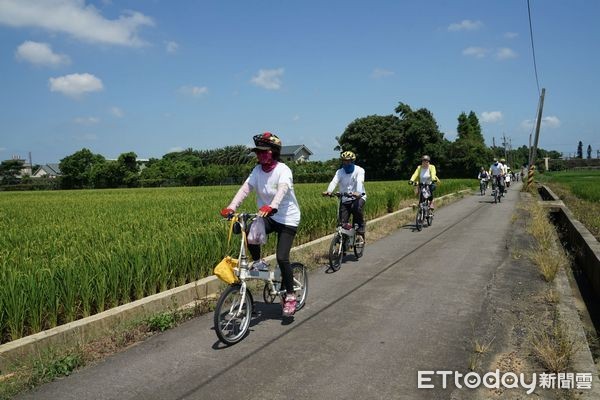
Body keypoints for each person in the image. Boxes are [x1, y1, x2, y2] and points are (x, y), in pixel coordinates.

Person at [220, 132, 301, 317]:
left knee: (282, 257)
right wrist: (232, 207)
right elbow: (245, 189)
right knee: (249, 231)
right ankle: (259, 263)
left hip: (287, 218)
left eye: (264, 151)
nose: (260, 155)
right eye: (258, 152)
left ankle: (290, 295)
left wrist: (273, 206)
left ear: (273, 152)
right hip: (268, 216)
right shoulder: (257, 171)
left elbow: (282, 189)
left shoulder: (283, 170)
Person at [322, 151, 367, 237]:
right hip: (345, 198)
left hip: (358, 197)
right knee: (342, 222)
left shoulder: (359, 170)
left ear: (352, 161)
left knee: (356, 208)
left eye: (348, 161)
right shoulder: (340, 172)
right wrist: (329, 191)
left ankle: (361, 225)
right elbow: (334, 182)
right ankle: (344, 242)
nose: (346, 163)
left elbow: (359, 181)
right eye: (344, 161)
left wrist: (357, 192)